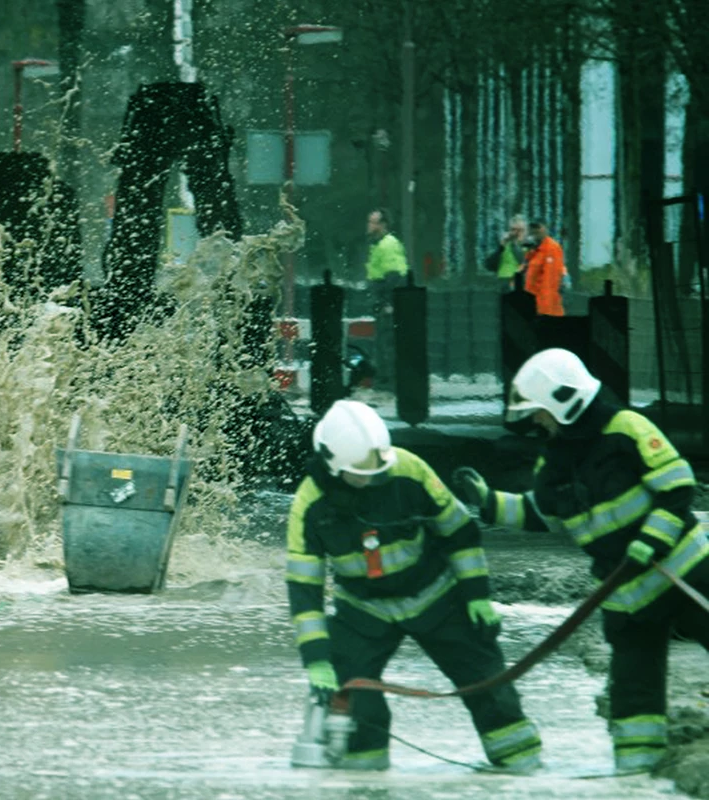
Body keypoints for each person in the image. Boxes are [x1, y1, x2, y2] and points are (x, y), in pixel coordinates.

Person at [454, 348, 709, 773]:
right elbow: (542, 512)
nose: (536, 421)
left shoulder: (626, 428)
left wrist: (652, 540)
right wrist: (489, 503)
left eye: (539, 412)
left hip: (682, 572)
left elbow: (678, 486)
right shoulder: (554, 458)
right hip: (624, 594)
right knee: (633, 691)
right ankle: (636, 774)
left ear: (562, 400)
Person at [286, 399, 542, 771]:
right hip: (364, 609)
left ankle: (524, 771)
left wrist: (477, 596)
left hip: (435, 594)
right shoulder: (310, 505)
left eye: (378, 467)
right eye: (360, 471)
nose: (371, 476)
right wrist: (317, 661)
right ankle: (365, 786)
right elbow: (303, 590)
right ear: (331, 463)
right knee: (357, 698)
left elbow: (460, 530)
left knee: (487, 680)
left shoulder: (408, 468)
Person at [364, 209, 409, 385]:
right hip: (381, 301)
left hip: (386, 302)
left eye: (373, 222)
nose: (369, 226)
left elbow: (394, 275)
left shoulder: (387, 245)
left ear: (383, 225)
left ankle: (389, 381)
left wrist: (388, 302)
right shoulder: (378, 245)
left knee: (388, 342)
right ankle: (386, 379)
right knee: (383, 341)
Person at [522, 221, 565, 316]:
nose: (534, 230)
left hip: (545, 310)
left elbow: (550, 282)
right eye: (532, 228)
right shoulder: (533, 249)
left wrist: (544, 312)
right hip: (532, 305)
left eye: (538, 227)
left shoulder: (552, 248)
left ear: (545, 229)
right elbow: (524, 270)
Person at [483, 214, 527, 290]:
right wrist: (501, 247)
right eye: (513, 229)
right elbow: (489, 266)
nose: (517, 233)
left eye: (520, 230)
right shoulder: (503, 246)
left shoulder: (532, 247)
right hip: (504, 286)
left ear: (526, 232)